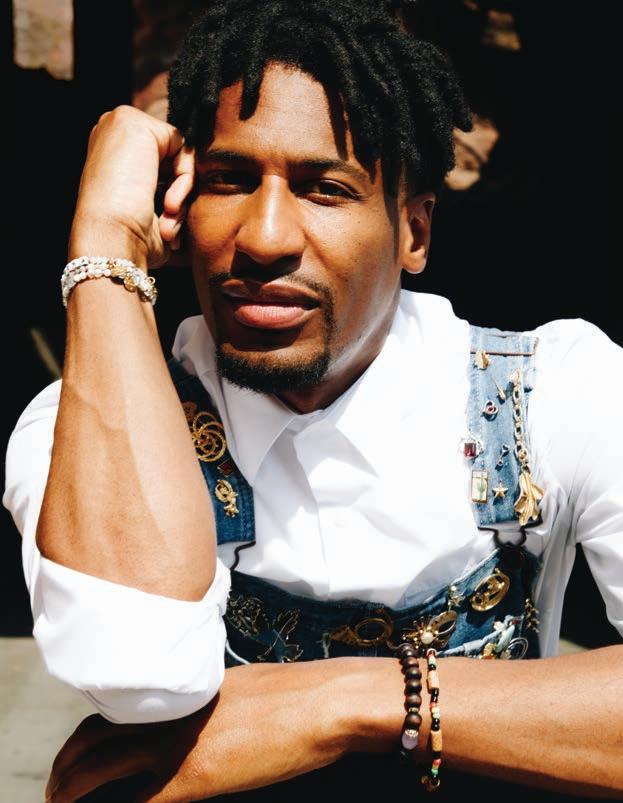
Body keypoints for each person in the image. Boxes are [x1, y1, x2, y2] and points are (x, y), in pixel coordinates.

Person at [4, 1, 623, 800]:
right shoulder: (80, 424)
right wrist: (104, 246)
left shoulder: (555, 393)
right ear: (177, 208)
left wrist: (341, 703)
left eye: (324, 188)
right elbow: (134, 670)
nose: (264, 238)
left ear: (413, 231)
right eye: (227, 181)